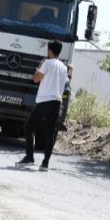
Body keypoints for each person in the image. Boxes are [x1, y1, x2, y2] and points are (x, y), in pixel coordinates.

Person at [18, 41, 68, 170]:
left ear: (50, 50)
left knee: (29, 127)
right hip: (57, 102)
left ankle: (29, 157)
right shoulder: (64, 67)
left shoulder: (47, 63)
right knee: (50, 132)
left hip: (45, 101)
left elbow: (36, 79)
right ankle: (45, 163)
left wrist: (39, 66)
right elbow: (65, 82)